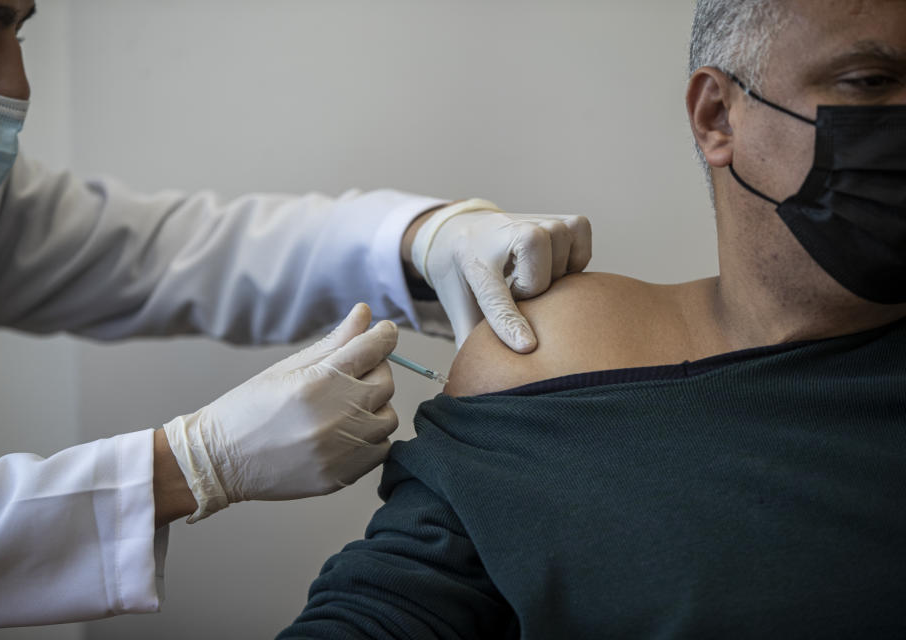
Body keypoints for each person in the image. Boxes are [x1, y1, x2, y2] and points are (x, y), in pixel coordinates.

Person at [0, 0, 594, 633]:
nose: (15, 85)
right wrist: (191, 464)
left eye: (19, 35)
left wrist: (422, 237)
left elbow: (188, 252)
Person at [278, 0, 906, 637]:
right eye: (872, 83)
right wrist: (182, 467)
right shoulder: (566, 354)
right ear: (718, 116)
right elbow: (388, 612)